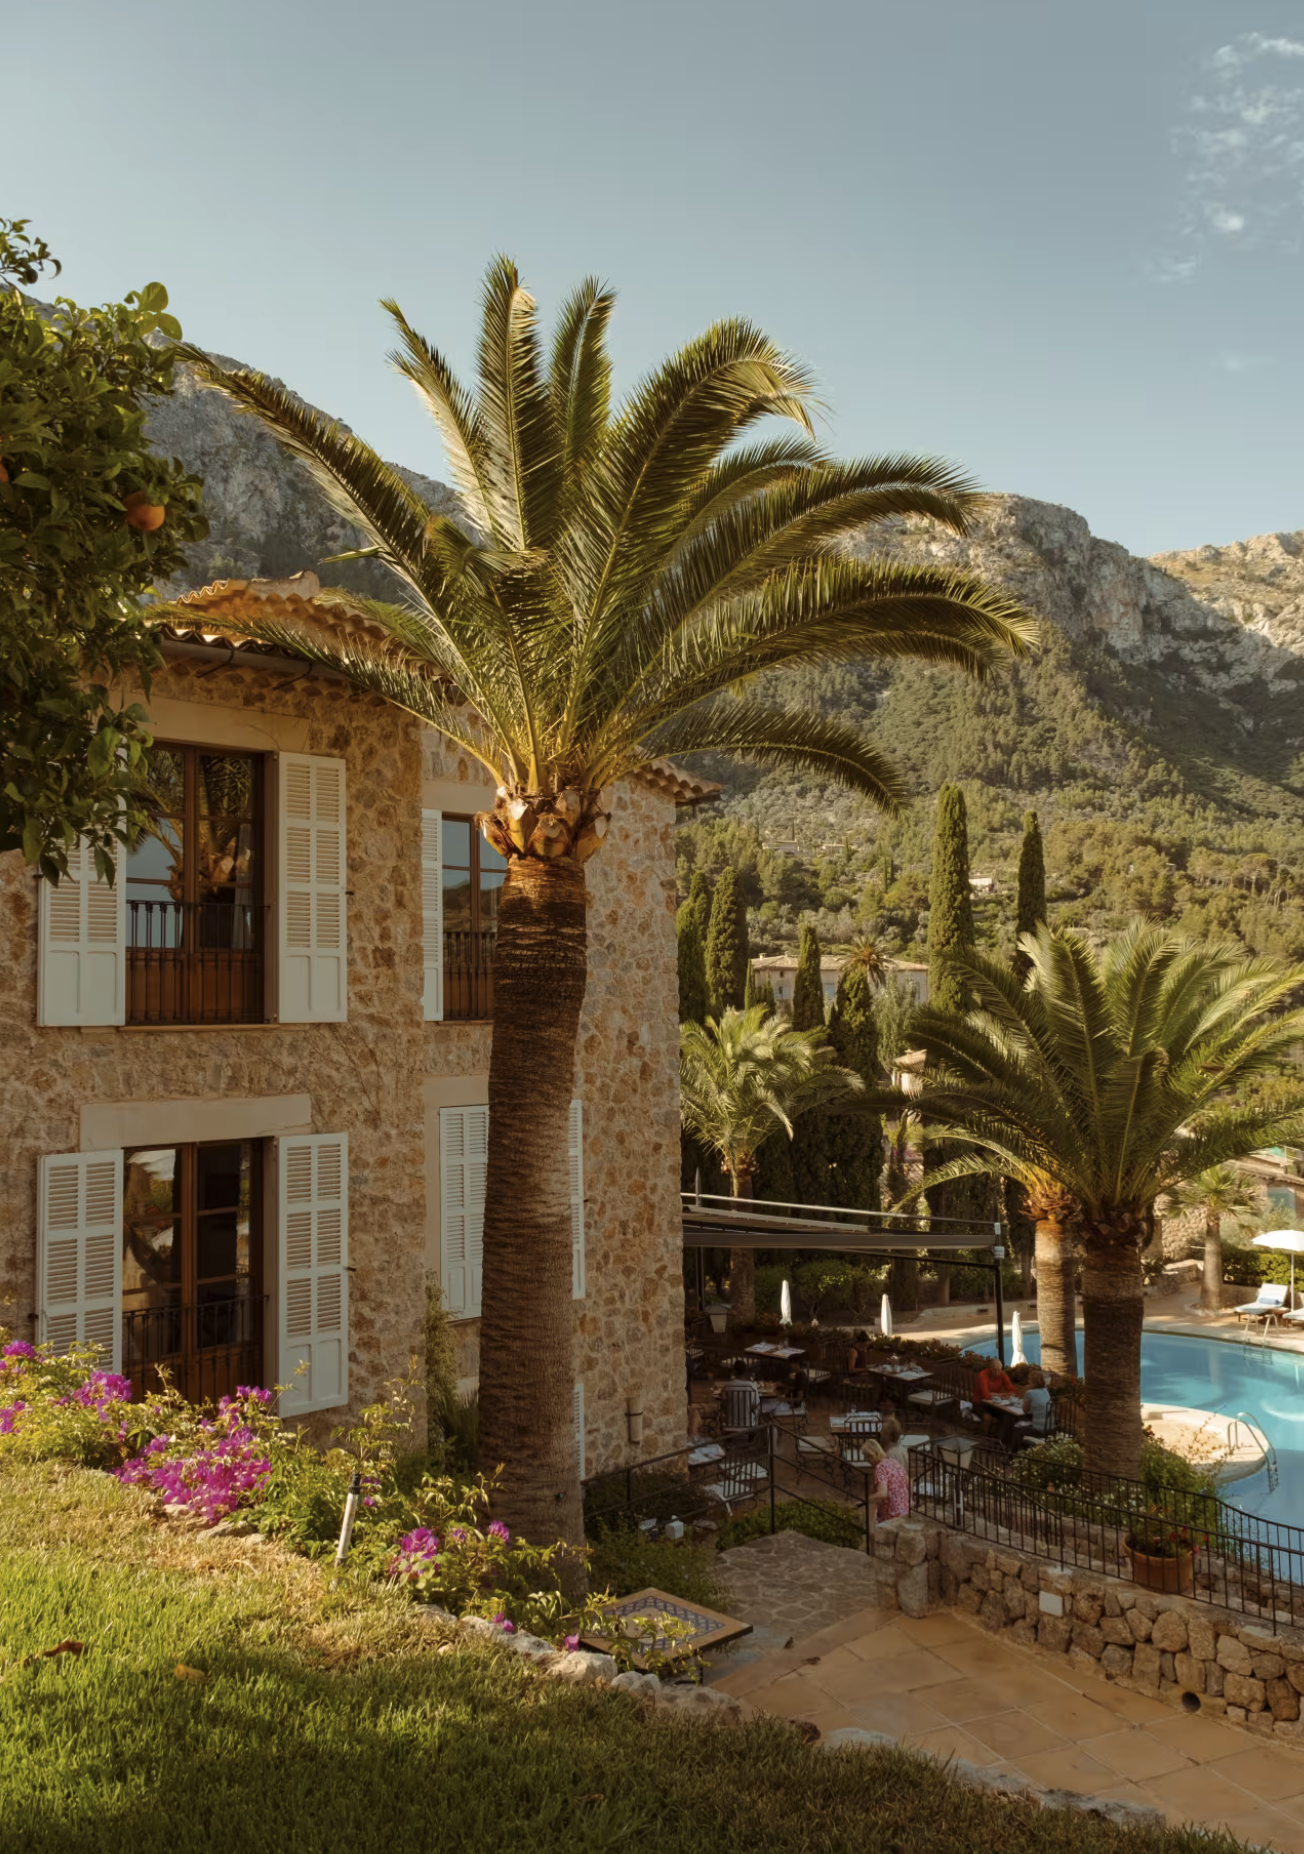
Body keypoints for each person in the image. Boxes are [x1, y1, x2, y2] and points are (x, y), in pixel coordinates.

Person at [861, 1437, 910, 1520]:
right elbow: (908, 1481)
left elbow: (882, 1494)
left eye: (867, 1457)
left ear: (871, 1455)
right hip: (904, 1510)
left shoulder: (880, 1468)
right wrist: (910, 1500)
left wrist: (865, 1500)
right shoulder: (894, 1462)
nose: (867, 1461)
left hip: (891, 1515)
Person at [1014, 1367, 1053, 1448]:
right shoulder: (1046, 1391)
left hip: (1038, 1429)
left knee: (1016, 1427)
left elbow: (1025, 1410)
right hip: (1049, 1428)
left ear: (1032, 1382)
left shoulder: (1030, 1393)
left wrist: (1026, 1391)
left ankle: (1017, 1452)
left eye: (1029, 1380)